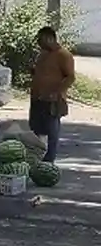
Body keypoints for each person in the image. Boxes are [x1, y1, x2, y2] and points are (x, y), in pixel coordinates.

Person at [29, 26, 76, 162]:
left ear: (50, 38)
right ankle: (37, 157)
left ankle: (49, 159)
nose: (39, 42)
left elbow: (70, 77)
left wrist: (57, 92)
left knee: (52, 130)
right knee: (36, 128)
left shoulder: (63, 55)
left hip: (53, 100)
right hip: (37, 97)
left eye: (41, 39)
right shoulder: (42, 54)